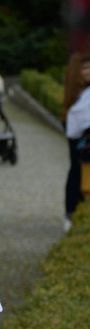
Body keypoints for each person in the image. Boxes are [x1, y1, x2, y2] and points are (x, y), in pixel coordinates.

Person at [64, 51, 90, 229]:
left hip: (79, 133)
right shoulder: (77, 57)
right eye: (86, 68)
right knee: (77, 172)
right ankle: (72, 213)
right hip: (80, 136)